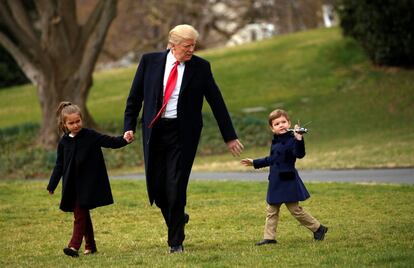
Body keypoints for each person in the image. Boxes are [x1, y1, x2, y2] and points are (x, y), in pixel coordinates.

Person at [123, 24, 243, 253]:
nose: (191, 50)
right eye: (187, 46)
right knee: (158, 189)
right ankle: (178, 216)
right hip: (155, 132)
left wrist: (229, 137)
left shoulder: (201, 67)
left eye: (193, 46)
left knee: (175, 186)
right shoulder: (149, 62)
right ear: (172, 45)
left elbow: (216, 102)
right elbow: (134, 97)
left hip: (182, 134)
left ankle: (175, 242)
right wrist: (129, 127)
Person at [47, 101, 130, 257]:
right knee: (82, 214)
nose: (76, 125)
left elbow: (110, 142)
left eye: (78, 121)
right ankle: (90, 246)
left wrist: (125, 139)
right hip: (72, 186)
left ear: (82, 119)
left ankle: (73, 246)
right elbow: (59, 165)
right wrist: (52, 184)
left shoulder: (90, 136)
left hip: (88, 184)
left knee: (79, 215)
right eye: (71, 123)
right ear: (64, 124)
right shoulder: (64, 142)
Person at [241, 109, 327, 245]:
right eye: (277, 124)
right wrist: (254, 162)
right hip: (276, 181)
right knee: (271, 210)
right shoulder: (276, 141)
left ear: (289, 123)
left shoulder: (293, 140)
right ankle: (269, 238)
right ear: (272, 128)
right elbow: (272, 159)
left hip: (288, 181)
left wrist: (299, 139)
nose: (281, 125)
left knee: (295, 210)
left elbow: (299, 154)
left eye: (283, 122)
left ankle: (318, 228)